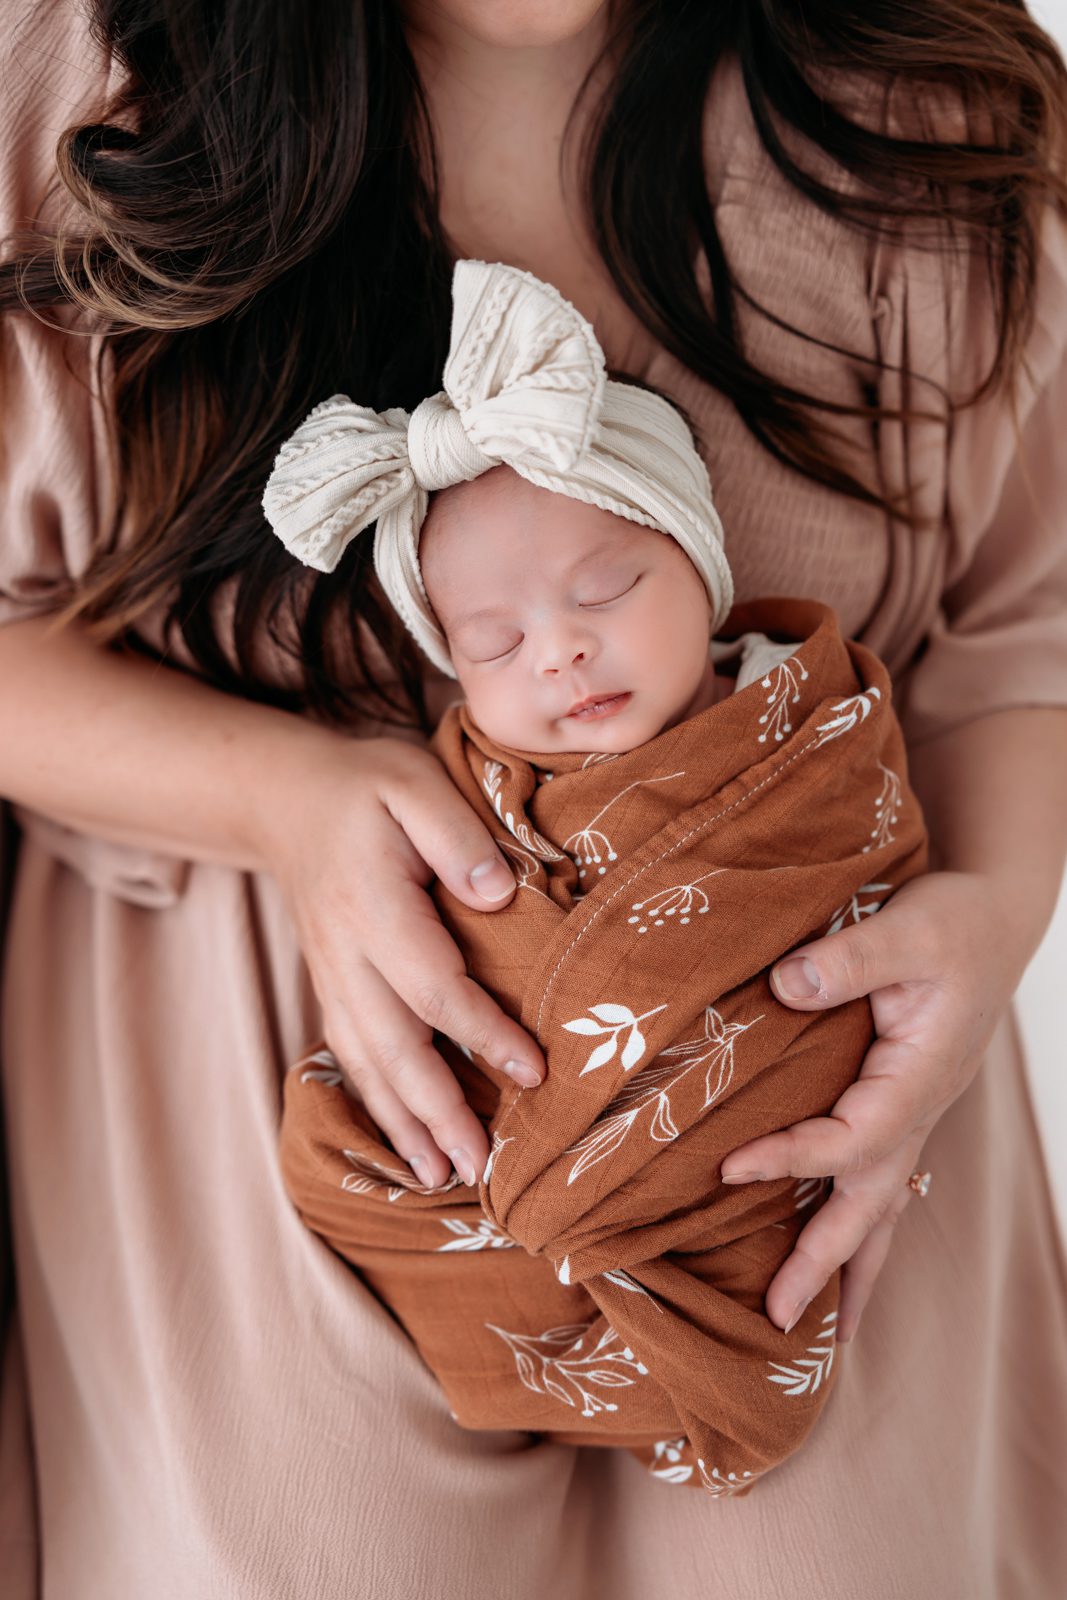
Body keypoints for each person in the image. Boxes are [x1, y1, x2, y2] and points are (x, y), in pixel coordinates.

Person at [1, 1, 1066, 1596]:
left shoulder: (926, 90)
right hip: (269, 1102)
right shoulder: (77, 86)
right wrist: (283, 800)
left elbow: (1016, 623)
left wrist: (987, 920)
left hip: (830, 1136)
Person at [268, 257, 928, 1492]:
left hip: (752, 1163)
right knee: (334, 1143)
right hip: (501, 1177)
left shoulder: (812, 735)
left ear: (699, 562)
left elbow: (867, 859)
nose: (560, 650)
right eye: (494, 642)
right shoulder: (472, 787)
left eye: (608, 587)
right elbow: (468, 943)